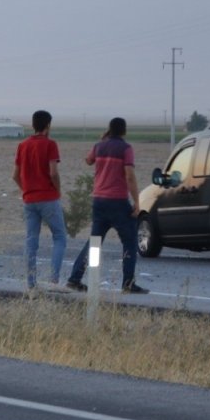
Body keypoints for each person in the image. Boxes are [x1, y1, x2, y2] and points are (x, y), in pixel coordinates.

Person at [66, 117, 148, 294]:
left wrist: (102, 140)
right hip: (118, 201)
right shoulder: (126, 149)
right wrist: (137, 202)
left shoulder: (99, 146)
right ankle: (128, 283)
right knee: (130, 242)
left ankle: (75, 278)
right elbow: (130, 176)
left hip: (99, 201)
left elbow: (88, 160)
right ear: (124, 131)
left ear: (109, 129)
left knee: (95, 242)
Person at [12, 110, 68, 291]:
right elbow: (53, 172)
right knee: (59, 237)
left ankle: (31, 284)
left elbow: (15, 175)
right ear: (48, 125)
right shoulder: (50, 144)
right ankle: (53, 280)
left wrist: (26, 190)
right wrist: (57, 190)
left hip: (29, 199)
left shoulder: (23, 145)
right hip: (48, 198)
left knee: (31, 240)